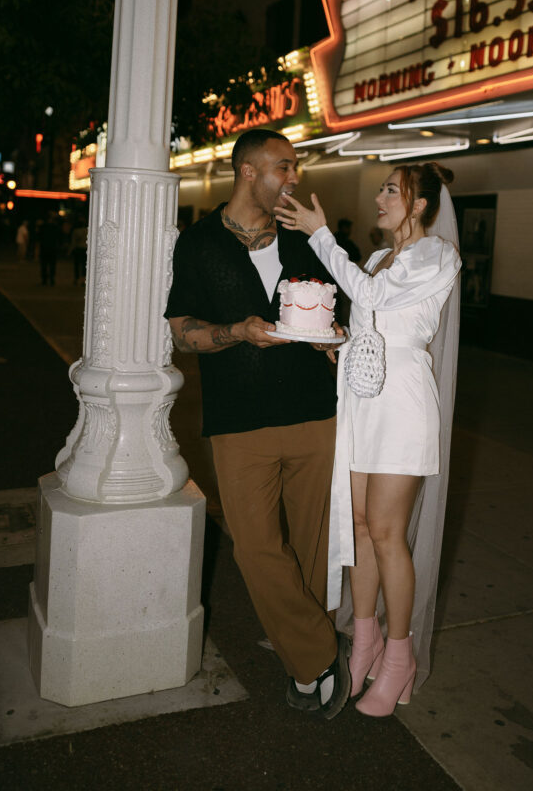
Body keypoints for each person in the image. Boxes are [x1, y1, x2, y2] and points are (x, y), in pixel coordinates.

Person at [165, 129, 351, 718]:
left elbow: (334, 317)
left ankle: (304, 665)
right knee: (255, 547)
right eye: (284, 167)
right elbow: (182, 332)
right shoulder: (197, 244)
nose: (293, 177)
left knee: (312, 547)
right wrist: (237, 332)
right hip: (238, 422)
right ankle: (320, 653)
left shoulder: (307, 243)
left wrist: (335, 344)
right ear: (248, 172)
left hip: (315, 417)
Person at [275, 162, 461, 717]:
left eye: (391, 191)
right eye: (380, 188)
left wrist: (321, 235)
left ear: (421, 204)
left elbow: (373, 295)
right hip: (361, 395)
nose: (380, 198)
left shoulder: (436, 255)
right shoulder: (380, 257)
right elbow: (368, 318)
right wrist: (338, 340)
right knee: (357, 527)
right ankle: (365, 640)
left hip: (402, 401)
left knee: (385, 531)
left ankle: (398, 654)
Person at [69, 217, 88, 284]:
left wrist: (70, 250)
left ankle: (76, 278)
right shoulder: (87, 230)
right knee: (84, 264)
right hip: (85, 248)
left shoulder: (76, 231)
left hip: (78, 248)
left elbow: (73, 241)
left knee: (77, 264)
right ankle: (83, 278)